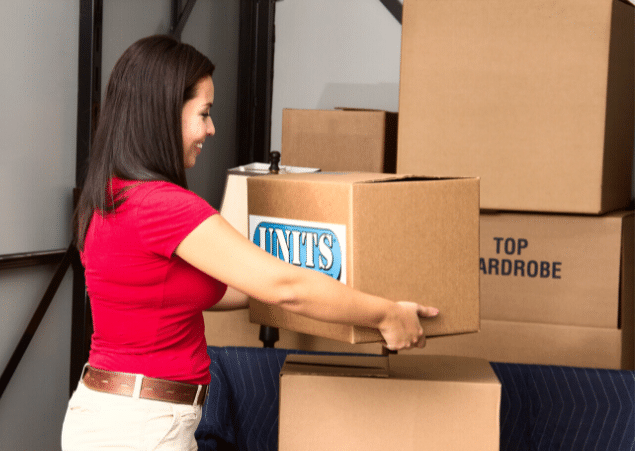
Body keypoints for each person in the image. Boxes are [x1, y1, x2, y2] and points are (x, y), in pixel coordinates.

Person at [61, 35, 439, 451]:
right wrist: (385, 314)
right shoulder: (164, 208)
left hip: (114, 414)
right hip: (141, 428)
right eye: (203, 113)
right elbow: (285, 287)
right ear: (164, 114)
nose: (211, 128)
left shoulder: (111, 197)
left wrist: (345, 287)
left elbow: (210, 291)